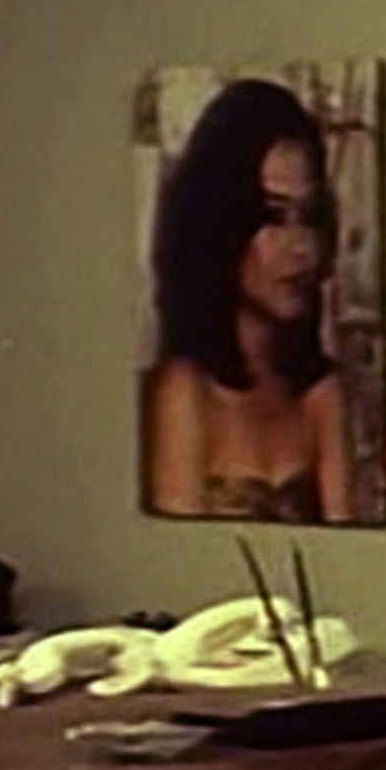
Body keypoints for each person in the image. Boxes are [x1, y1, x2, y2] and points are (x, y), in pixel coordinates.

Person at [142, 78, 352, 523]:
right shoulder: (185, 392)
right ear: (222, 223)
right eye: (272, 217)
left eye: (309, 216)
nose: (301, 247)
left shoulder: (320, 394)